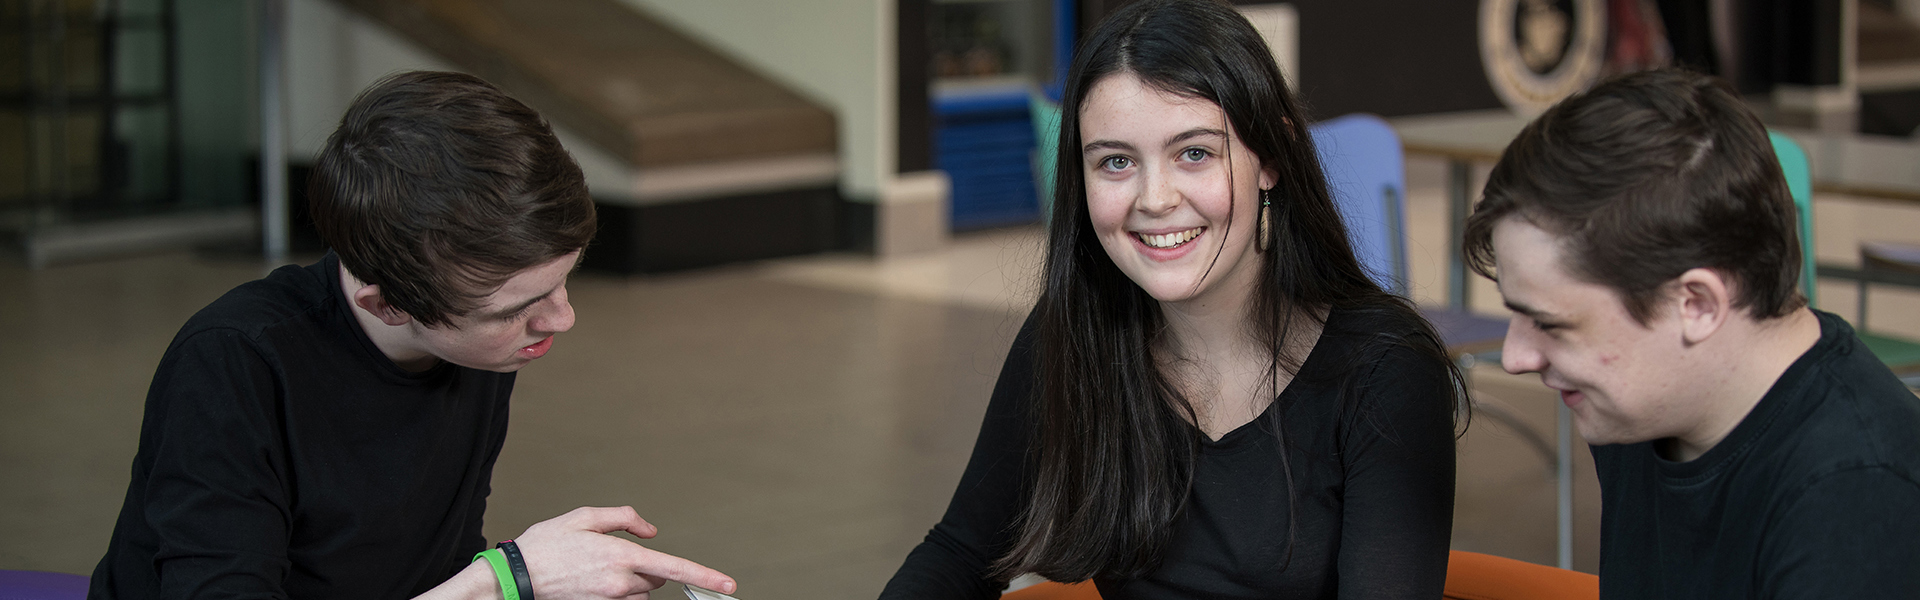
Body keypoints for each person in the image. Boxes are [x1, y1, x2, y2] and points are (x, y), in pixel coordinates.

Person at [878, 1, 1465, 598]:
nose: (1154, 198)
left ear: (1271, 160)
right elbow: (959, 554)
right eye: (1115, 162)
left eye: (1194, 153)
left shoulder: (1384, 370)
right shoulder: (1077, 333)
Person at [88, 71, 737, 600]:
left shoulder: (476, 346)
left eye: (563, 283)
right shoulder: (234, 364)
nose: (560, 319)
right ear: (388, 303)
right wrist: (508, 577)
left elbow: (430, 570)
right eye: (518, 307)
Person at [1463, 68, 1920, 598]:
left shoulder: (1855, 496)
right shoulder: (1646, 403)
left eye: (1550, 323)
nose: (1516, 357)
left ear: (1697, 304)